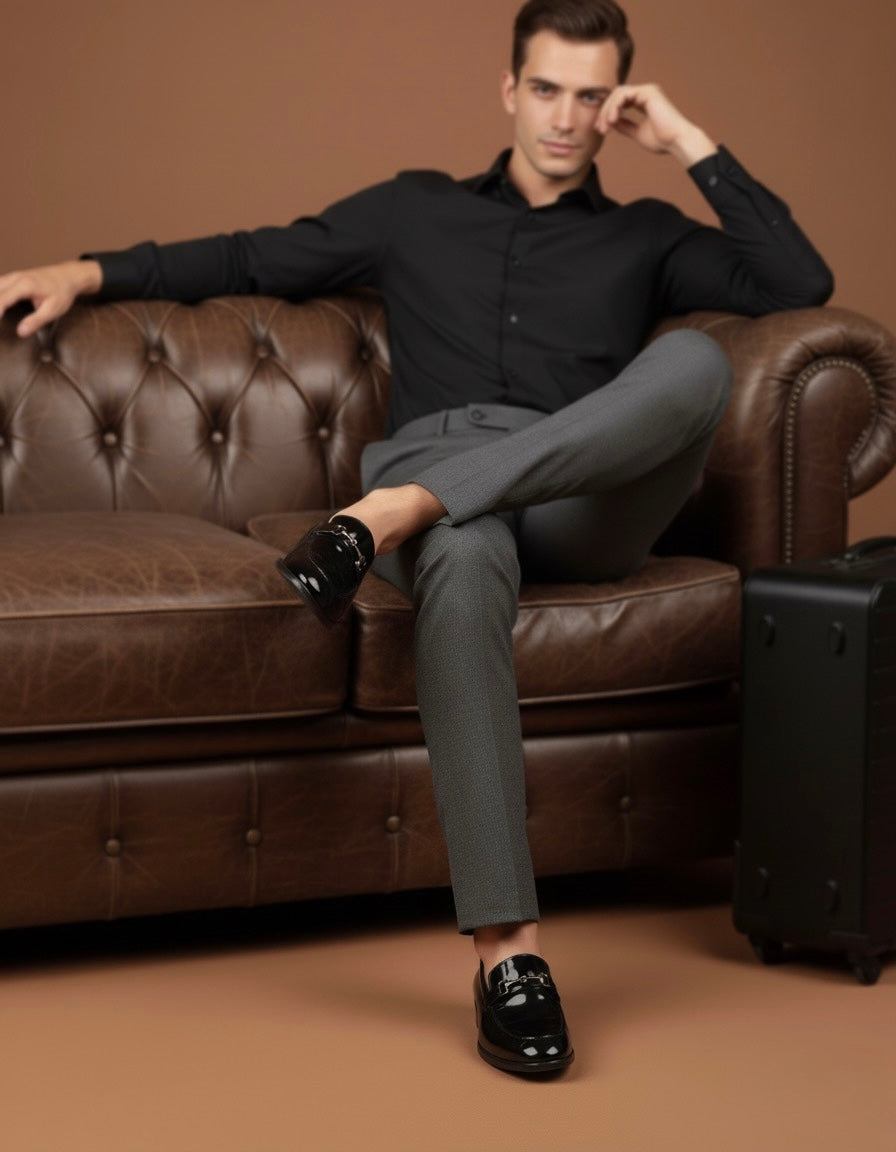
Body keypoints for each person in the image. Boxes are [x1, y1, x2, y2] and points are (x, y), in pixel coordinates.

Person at [0, 0, 831, 1077]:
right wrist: (87, 270)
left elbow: (794, 283)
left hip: (573, 499)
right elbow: (255, 251)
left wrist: (683, 142)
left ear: (615, 102)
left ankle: (394, 512)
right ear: (507, 89)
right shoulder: (412, 211)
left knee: (697, 369)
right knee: (465, 549)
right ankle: (508, 957)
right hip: (454, 498)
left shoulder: (647, 238)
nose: (565, 118)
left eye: (591, 96)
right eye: (545, 89)